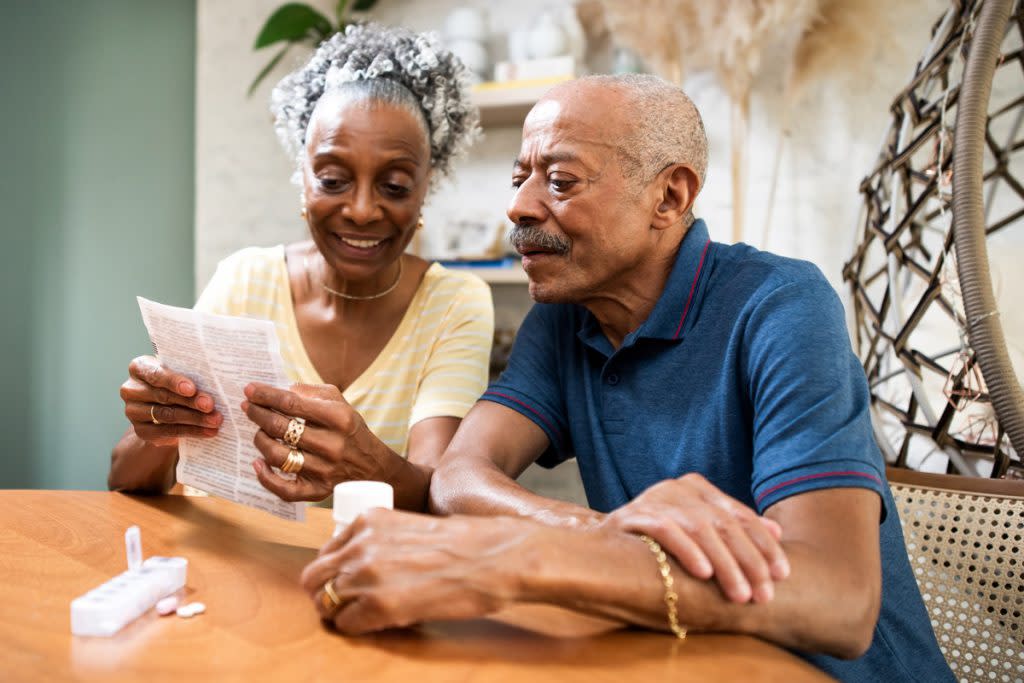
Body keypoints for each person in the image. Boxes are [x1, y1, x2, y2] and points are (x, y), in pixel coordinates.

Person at [298, 75, 954, 682]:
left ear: (668, 197)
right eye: (520, 177)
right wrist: (602, 533)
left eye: (560, 181)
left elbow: (836, 600)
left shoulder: (781, 305)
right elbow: (460, 474)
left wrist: (515, 556)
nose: (519, 207)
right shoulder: (562, 318)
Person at [108, 23, 492, 511]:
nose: (361, 209)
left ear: (425, 189)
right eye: (333, 179)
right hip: (223, 565)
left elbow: (437, 496)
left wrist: (363, 461)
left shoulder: (454, 302)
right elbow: (124, 480)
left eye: (394, 186)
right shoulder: (245, 280)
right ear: (303, 176)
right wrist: (158, 425)